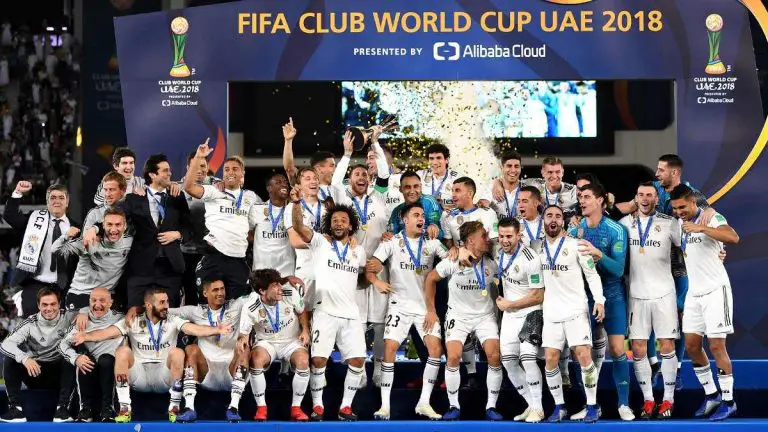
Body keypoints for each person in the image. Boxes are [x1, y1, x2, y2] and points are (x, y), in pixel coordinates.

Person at [72, 288, 232, 423]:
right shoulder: (133, 320)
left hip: (164, 375)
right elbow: (108, 332)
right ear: (148, 305)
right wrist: (86, 336)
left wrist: (216, 330)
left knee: (177, 352)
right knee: (122, 351)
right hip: (139, 375)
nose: (166, 306)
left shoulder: (173, 320)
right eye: (162, 302)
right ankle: (125, 409)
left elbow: (194, 329)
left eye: (167, 302)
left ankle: (174, 407)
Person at [366, 203, 447, 420]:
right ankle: (385, 406)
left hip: (425, 309)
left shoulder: (432, 243)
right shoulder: (392, 242)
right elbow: (371, 266)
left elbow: (451, 260)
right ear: (405, 220)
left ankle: (424, 403)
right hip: (399, 306)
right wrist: (376, 281)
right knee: (390, 349)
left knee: (435, 350)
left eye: (423, 215)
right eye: (416, 215)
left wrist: (456, 250)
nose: (421, 218)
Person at [289, 198, 367, 421]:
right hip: (325, 312)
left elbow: (364, 275)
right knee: (318, 360)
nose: (339, 223)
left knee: (358, 360)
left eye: (343, 220)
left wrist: (374, 278)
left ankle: (345, 407)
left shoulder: (359, 251)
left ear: (350, 226)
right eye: (335, 220)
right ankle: (317, 406)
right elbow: (298, 227)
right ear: (329, 225)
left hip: (351, 314)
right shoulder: (320, 243)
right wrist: (296, 203)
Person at [329, 130, 394, 386]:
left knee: (379, 324)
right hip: (351, 270)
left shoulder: (379, 196)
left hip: (378, 267)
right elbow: (335, 182)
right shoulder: (343, 198)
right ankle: (360, 371)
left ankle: (377, 368)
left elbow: (385, 174)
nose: (362, 177)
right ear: (350, 179)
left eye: (365, 174)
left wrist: (375, 143)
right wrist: (347, 154)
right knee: (356, 324)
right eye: (357, 174)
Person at [670, 184, 740, 421]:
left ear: (693, 202)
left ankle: (728, 401)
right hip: (694, 293)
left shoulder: (711, 217)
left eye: (683, 207)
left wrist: (701, 228)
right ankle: (712, 395)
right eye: (675, 208)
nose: (679, 212)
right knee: (691, 346)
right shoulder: (678, 223)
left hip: (715, 291)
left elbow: (733, 237)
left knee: (717, 346)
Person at [425, 221, 503, 421]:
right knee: (453, 357)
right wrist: (431, 310)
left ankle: (491, 406)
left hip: (485, 316)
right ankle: (453, 406)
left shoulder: (492, 261)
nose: (487, 239)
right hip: (458, 316)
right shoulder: (453, 260)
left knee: (494, 356)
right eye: (483, 236)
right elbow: (430, 279)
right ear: (470, 240)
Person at [568, 182, 632, 421]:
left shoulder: (616, 230)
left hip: (613, 297)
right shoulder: (574, 232)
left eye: (586, 197)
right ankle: (590, 405)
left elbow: (618, 270)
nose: (581, 201)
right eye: (580, 197)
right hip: (585, 300)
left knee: (617, 349)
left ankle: (623, 404)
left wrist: (598, 254)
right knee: (582, 353)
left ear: (600, 200)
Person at [536, 205, 604, 423]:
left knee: (583, 356)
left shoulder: (577, 245)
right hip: (551, 312)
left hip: (575, 310)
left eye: (558, 216)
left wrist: (599, 300)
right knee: (550, 359)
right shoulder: (536, 248)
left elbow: (591, 275)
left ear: (563, 222)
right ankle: (559, 407)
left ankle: (592, 405)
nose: (553, 219)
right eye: (549, 216)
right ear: (543, 221)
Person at [93, 154, 190, 307]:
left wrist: (178, 234)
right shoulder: (134, 198)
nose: (170, 173)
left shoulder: (176, 196)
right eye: (165, 171)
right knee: (135, 313)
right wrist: (94, 228)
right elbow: (114, 216)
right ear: (152, 174)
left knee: (169, 315)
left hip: (170, 268)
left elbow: (189, 225)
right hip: (141, 269)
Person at [619, 182, 681, 419]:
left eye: (650, 195)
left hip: (664, 293)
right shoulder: (624, 224)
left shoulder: (669, 223)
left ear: (656, 199)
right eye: (641, 195)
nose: (645, 199)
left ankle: (668, 400)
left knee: (667, 345)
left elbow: (689, 247)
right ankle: (648, 400)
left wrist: (719, 252)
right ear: (635, 198)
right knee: (637, 348)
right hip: (636, 294)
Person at [165, 279, 252, 423]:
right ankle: (189, 408)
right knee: (191, 348)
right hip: (207, 372)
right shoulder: (196, 311)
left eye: (222, 289)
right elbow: (166, 311)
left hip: (232, 369)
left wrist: (284, 281)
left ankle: (233, 408)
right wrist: (136, 309)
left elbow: (257, 294)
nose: (220, 293)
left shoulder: (237, 305)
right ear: (205, 293)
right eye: (215, 290)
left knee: (245, 347)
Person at [184, 141, 263, 299]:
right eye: (226, 169)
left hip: (238, 259)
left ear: (243, 173)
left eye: (235, 169)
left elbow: (257, 223)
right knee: (208, 305)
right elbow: (189, 187)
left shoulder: (251, 197)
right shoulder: (214, 191)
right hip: (214, 256)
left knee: (237, 305)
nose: (230, 172)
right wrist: (198, 157)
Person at [440, 176, 499, 387]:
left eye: (457, 190)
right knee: (461, 322)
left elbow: (494, 243)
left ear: (470, 193)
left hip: (486, 272)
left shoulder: (487, 213)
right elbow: (449, 244)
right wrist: (456, 249)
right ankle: (472, 372)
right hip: (460, 275)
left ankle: (494, 370)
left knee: (490, 322)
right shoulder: (448, 218)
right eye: (452, 190)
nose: (453, 195)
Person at [238, 269, 311, 422]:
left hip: (291, 341)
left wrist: (305, 330)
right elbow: (244, 334)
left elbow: (302, 311)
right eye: (274, 285)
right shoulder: (250, 306)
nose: (280, 288)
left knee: (303, 361)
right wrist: (243, 339)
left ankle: (296, 408)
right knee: (256, 360)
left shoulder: (290, 294)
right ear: (262, 291)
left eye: (279, 283)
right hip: (267, 342)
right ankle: (261, 407)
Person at [494, 217, 546, 423]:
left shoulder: (530, 258)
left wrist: (510, 305)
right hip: (510, 315)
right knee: (508, 361)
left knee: (527, 358)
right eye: (501, 236)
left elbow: (538, 295)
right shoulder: (498, 252)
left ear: (518, 235)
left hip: (531, 313)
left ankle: (539, 409)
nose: (504, 240)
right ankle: (531, 405)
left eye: (509, 236)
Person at [0, 288, 78, 422]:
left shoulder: (69, 317)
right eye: (44, 304)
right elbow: (6, 344)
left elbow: (89, 310)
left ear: (59, 304)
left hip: (60, 375)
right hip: (35, 373)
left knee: (70, 358)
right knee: (11, 359)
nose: (49, 308)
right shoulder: (30, 322)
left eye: (53, 304)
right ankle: (15, 409)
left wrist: (83, 314)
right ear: (38, 305)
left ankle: (62, 409)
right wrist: (25, 358)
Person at [3, 182, 80, 317]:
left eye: (61, 198)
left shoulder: (77, 229)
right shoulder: (33, 221)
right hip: (34, 286)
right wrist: (18, 192)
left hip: (64, 288)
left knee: (62, 328)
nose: (57, 201)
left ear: (67, 202)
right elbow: (10, 216)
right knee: (31, 327)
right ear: (47, 202)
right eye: (53, 197)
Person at [59, 288, 124, 422]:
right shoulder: (81, 322)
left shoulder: (120, 318)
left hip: (111, 369)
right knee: (83, 359)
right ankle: (85, 409)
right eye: (94, 300)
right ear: (89, 302)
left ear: (110, 303)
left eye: (102, 300)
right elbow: (62, 345)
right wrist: (76, 358)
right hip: (90, 370)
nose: (97, 304)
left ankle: (108, 409)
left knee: (106, 360)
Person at [52, 208, 132, 310]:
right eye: (109, 224)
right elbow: (55, 249)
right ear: (103, 226)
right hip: (81, 293)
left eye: (118, 225)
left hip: (106, 295)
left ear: (125, 226)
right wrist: (66, 235)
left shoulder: (129, 243)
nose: (113, 229)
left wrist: (94, 228)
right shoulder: (89, 241)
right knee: (81, 320)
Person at [179, 150, 219, 307]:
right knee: (190, 294)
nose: (200, 170)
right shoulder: (177, 188)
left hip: (211, 251)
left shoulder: (217, 185)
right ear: (188, 167)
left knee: (210, 294)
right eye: (196, 166)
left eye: (203, 166)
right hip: (186, 251)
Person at [285, 167, 327, 311]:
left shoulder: (327, 206)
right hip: (306, 268)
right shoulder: (292, 207)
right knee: (303, 311)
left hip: (327, 267)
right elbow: (295, 241)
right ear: (299, 185)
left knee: (325, 309)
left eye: (315, 178)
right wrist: (322, 242)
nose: (313, 181)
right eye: (307, 179)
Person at [252, 173, 295, 278]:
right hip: (262, 270)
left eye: (285, 182)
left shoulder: (293, 209)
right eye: (278, 182)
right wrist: (260, 240)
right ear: (269, 188)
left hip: (287, 271)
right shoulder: (257, 209)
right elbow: (245, 232)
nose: (284, 185)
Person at [282, 118, 335, 200]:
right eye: (332, 165)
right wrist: (288, 140)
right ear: (319, 168)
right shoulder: (304, 185)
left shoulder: (339, 187)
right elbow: (289, 169)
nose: (335, 169)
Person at [387, 171, 443, 239]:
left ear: (421, 187)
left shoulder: (430, 202)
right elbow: (392, 235)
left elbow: (441, 234)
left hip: (430, 245)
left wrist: (434, 229)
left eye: (416, 186)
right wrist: (387, 236)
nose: (412, 191)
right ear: (400, 189)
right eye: (408, 187)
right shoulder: (396, 211)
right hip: (406, 245)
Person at [416, 143, 462, 209]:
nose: (434, 162)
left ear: (447, 160)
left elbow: (463, 202)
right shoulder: (420, 175)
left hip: (448, 215)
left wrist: (443, 203)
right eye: (431, 158)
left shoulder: (457, 178)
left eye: (438, 158)